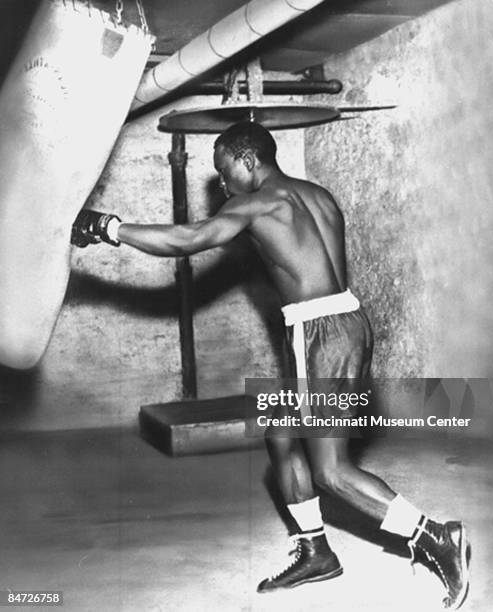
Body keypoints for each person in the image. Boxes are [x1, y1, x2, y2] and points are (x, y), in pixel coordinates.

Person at [71, 121, 470, 609]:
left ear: (247, 160)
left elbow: (186, 240)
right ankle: (316, 551)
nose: (222, 185)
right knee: (281, 433)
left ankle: (433, 537)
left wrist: (111, 228)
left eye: (223, 173)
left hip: (318, 334)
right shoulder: (315, 194)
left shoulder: (258, 202)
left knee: (331, 470)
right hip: (345, 319)